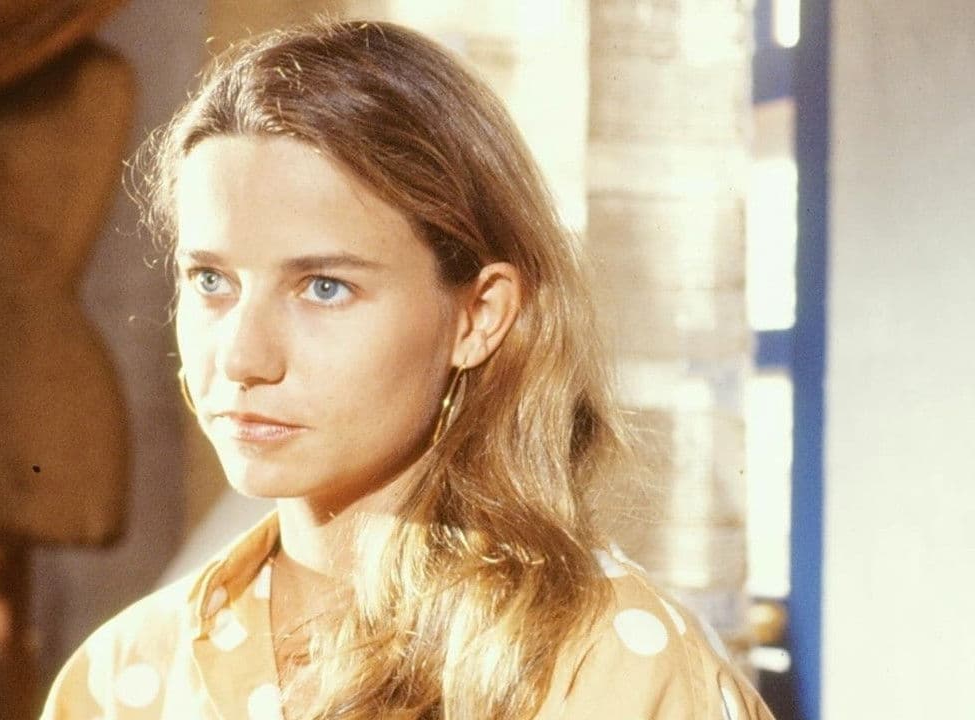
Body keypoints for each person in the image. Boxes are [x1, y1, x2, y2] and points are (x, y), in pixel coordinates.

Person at [41, 19, 775, 720]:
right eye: (211, 281)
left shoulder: (617, 670)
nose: (240, 357)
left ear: (478, 316)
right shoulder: (120, 675)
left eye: (324, 287)